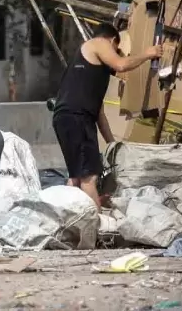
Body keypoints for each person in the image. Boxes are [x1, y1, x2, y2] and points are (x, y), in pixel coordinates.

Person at [52, 23, 163, 212]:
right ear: (113, 40)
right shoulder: (99, 42)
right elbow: (121, 64)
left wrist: (111, 143)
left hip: (67, 118)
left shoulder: (90, 75)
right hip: (77, 118)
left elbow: (100, 113)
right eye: (116, 49)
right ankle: (95, 228)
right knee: (89, 178)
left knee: (77, 177)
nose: (115, 54)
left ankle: (70, 222)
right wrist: (149, 53)